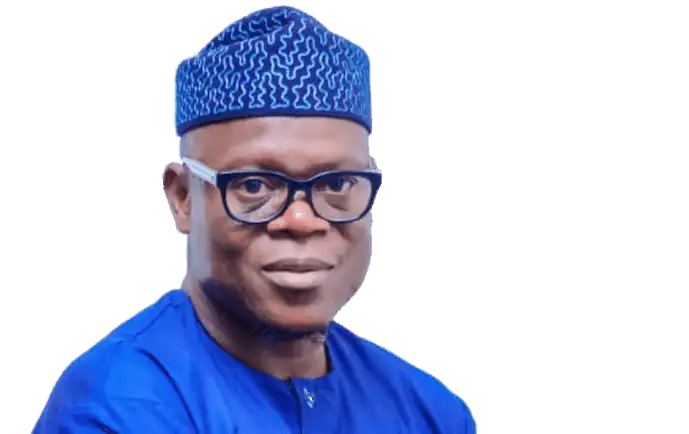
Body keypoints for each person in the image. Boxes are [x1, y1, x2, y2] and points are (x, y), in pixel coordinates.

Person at [33, 6, 477, 433]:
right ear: (184, 197)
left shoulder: (430, 413)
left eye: (338, 184)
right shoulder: (118, 408)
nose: (301, 219)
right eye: (254, 185)